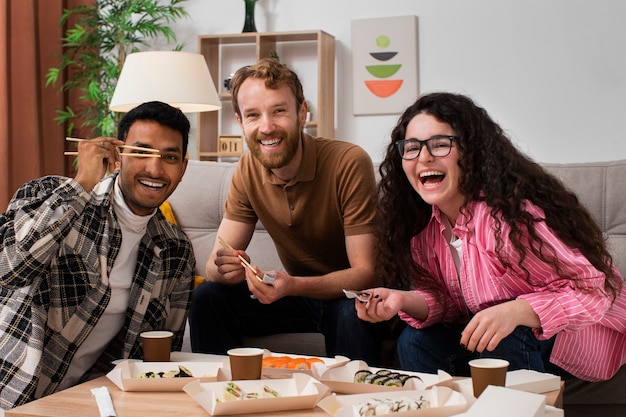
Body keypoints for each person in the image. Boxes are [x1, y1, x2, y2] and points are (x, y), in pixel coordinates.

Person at [354, 92, 626, 383]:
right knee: (414, 341)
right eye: (411, 147)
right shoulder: (426, 230)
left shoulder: (513, 218)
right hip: (500, 336)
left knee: (504, 338)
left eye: (440, 144)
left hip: (573, 337)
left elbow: (594, 290)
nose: (424, 156)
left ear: (471, 152)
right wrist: (401, 299)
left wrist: (517, 310)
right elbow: (452, 302)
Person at [189, 57, 386, 364]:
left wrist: (293, 285)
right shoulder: (246, 171)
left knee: (350, 313)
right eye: (253, 115)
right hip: (296, 298)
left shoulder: (348, 162)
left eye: (279, 111)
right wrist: (226, 268)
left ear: (302, 113)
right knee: (208, 298)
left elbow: (365, 273)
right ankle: (222, 395)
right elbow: (215, 266)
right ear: (241, 123)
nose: (266, 127)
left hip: (347, 296)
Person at [0, 101, 195, 409]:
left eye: (169, 157)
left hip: (83, 402)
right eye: (142, 153)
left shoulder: (175, 251)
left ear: (183, 168)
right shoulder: (48, 196)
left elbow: (158, 357)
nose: (155, 169)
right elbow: (8, 269)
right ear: (118, 156)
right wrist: (81, 184)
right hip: (10, 393)